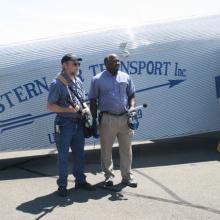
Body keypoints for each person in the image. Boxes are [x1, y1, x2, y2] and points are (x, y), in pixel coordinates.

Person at [47, 54, 95, 197]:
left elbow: (82, 99)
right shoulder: (57, 83)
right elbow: (50, 106)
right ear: (65, 65)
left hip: (78, 123)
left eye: (78, 64)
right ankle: (62, 185)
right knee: (63, 156)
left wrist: (85, 107)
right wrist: (67, 110)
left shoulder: (78, 81)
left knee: (79, 154)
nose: (77, 66)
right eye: (74, 63)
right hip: (64, 124)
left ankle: (80, 180)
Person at [89, 54, 137, 187]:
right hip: (107, 118)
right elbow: (93, 100)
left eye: (118, 61)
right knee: (106, 150)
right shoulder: (97, 79)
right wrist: (94, 120)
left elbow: (132, 94)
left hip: (125, 118)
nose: (117, 63)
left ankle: (127, 177)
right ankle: (108, 176)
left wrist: (132, 107)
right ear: (106, 64)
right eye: (114, 61)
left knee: (126, 150)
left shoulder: (126, 77)